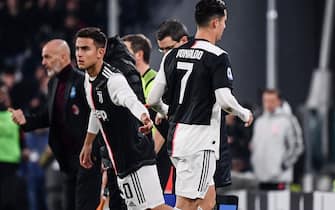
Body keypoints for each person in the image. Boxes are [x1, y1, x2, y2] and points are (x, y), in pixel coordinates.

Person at [148, 0, 253, 209]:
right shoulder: (217, 57)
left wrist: (168, 112)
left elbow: (152, 100)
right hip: (200, 144)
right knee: (187, 205)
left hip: (177, 140)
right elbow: (224, 100)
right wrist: (244, 113)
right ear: (215, 23)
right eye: (224, 22)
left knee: (208, 200)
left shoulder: (172, 55)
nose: (224, 27)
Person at [75, 27, 174, 210]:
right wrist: (88, 144)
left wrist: (144, 117)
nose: (79, 54)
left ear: (100, 52)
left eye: (85, 49)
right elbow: (95, 110)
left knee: (154, 209)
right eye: (78, 48)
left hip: (134, 159)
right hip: (122, 162)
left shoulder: (113, 80)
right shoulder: (88, 80)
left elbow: (130, 100)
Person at [9, 39, 101, 210]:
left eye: (47, 57)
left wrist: (96, 151)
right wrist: (26, 121)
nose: (43, 62)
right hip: (66, 162)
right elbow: (48, 116)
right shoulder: (53, 83)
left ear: (64, 57)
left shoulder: (83, 81)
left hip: (86, 161)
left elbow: (98, 116)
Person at [156, 18, 234, 190]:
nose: (166, 54)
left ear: (184, 41)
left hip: (205, 145)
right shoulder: (174, 66)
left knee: (203, 201)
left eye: (169, 48)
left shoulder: (206, 61)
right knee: (194, 202)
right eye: (162, 50)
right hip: (185, 147)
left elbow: (223, 104)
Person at [122, 34, 171, 190]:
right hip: (139, 158)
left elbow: (161, 127)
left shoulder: (155, 82)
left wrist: (148, 161)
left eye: (125, 50)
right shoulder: (132, 82)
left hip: (155, 161)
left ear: (139, 54)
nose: (121, 56)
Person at [250, 89, 303, 190]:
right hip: (260, 178)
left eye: (272, 101)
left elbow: (297, 146)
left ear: (279, 101)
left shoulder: (288, 120)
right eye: (266, 101)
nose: (268, 104)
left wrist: (283, 165)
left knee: (280, 206)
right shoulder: (259, 122)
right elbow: (254, 145)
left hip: (280, 179)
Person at [0, 80, 29, 210]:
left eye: (5, 93)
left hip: (12, 161)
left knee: (10, 200)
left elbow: (21, 136)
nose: (3, 96)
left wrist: (24, 149)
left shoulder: (13, 115)